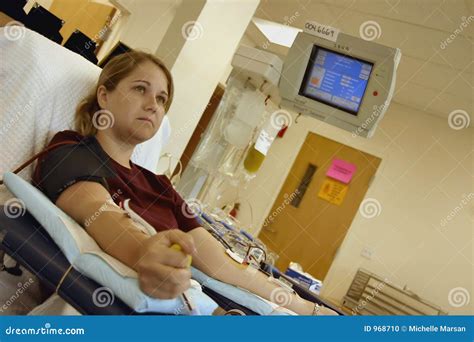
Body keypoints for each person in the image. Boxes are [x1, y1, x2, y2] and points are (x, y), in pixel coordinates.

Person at [32, 51, 337, 315]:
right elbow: (95, 209)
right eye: (140, 89)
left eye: (162, 99)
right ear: (104, 95)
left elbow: (221, 266)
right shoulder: (70, 150)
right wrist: (144, 252)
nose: (153, 105)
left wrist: (308, 309)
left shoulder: (160, 186)